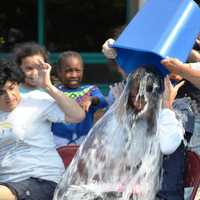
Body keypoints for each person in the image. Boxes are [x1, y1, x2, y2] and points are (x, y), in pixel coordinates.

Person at [102, 38, 195, 200]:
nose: (138, 102)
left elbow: (167, 146)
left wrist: (167, 106)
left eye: (143, 96)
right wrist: (121, 113)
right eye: (133, 97)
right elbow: (119, 153)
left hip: (164, 195)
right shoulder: (137, 119)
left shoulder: (181, 110)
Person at [0, 59, 85, 200]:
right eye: (1, 93)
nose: (9, 96)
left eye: (12, 87)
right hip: (6, 183)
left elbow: (78, 115)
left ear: (18, 84)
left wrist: (48, 87)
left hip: (42, 179)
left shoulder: (36, 100)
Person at [52, 51, 108, 147]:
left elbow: (103, 102)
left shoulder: (90, 90)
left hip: (84, 142)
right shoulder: (54, 91)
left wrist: (91, 99)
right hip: (57, 143)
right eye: (69, 71)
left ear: (82, 71)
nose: (74, 75)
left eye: (77, 70)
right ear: (59, 72)